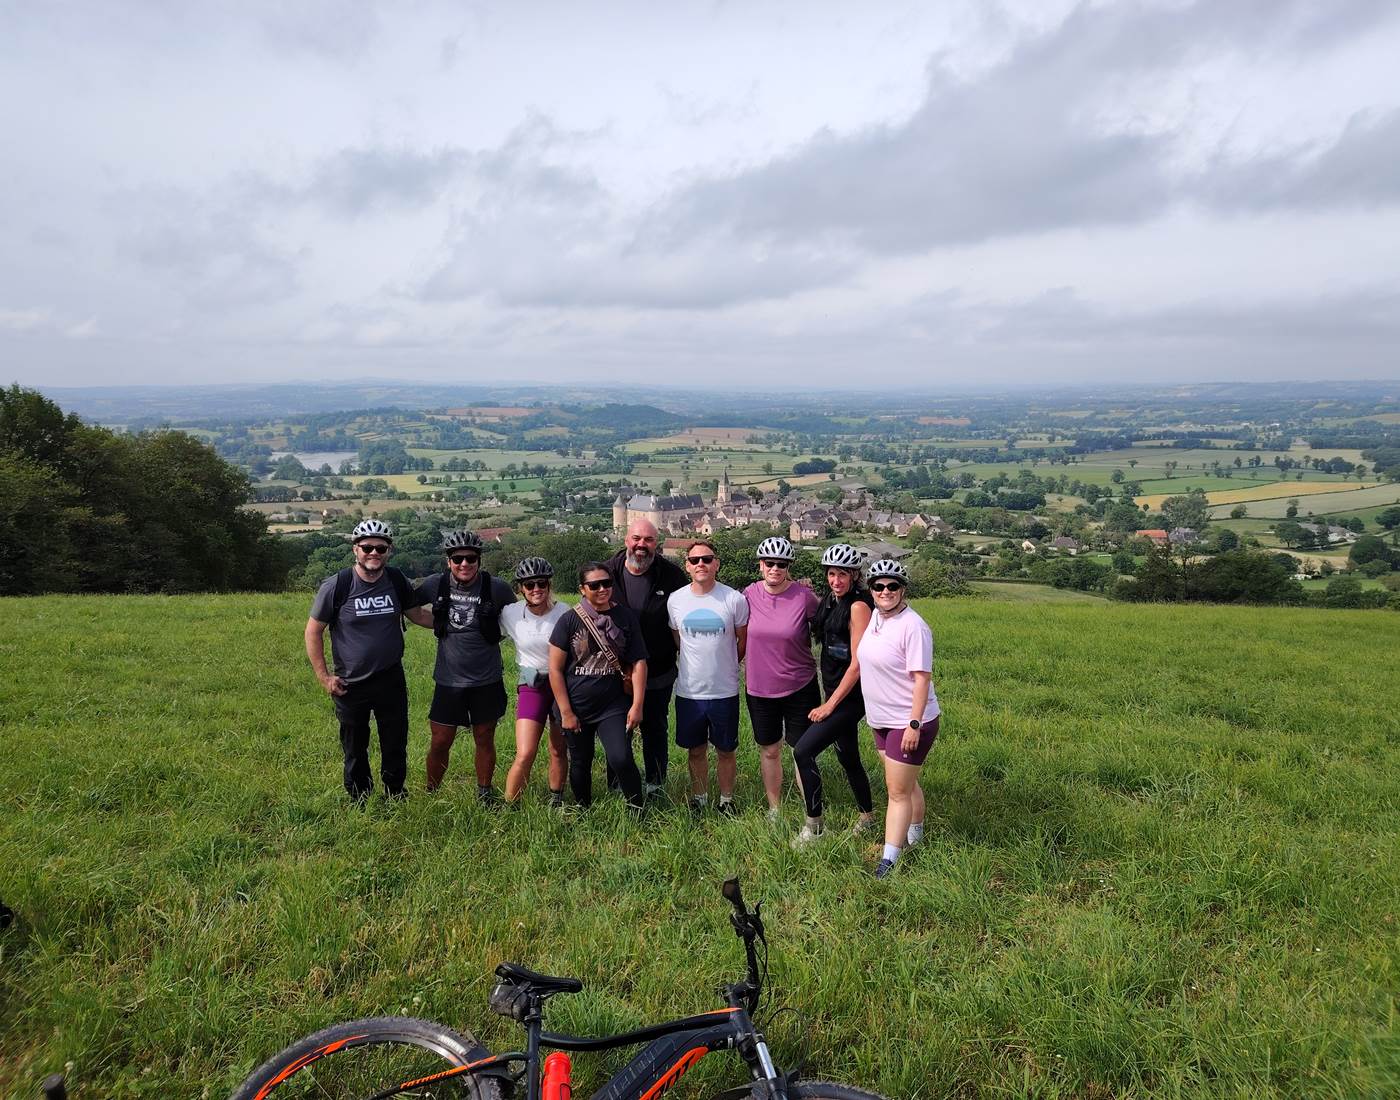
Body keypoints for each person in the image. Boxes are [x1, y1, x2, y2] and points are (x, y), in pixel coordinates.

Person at [305, 519, 432, 802]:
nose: (373, 553)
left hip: (390, 677)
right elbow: (313, 630)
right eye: (367, 547)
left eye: (380, 548)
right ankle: (359, 797)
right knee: (354, 744)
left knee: (395, 741)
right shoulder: (338, 585)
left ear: (389, 550)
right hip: (350, 681)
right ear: (356, 550)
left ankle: (395, 793)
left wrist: (460, 624)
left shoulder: (396, 580)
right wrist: (324, 677)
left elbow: (418, 615)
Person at [855, 558, 940, 879]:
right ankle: (916, 832)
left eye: (893, 586)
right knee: (906, 782)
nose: (885, 591)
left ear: (903, 590)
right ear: (871, 590)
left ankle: (889, 859)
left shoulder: (913, 626)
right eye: (878, 586)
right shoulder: (877, 617)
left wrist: (914, 724)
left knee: (896, 791)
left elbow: (922, 679)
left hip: (908, 721)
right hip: (881, 719)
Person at [415, 530, 516, 799]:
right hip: (448, 680)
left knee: (484, 737)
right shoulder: (435, 584)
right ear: (448, 561)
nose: (464, 564)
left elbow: (519, 620)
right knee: (440, 740)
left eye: (470, 558)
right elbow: (410, 608)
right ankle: (432, 792)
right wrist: (436, 623)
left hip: (487, 678)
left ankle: (484, 791)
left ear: (479, 560)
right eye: (457, 558)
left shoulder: (497, 587)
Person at [791, 544, 877, 845]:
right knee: (849, 758)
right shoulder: (830, 600)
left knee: (802, 751)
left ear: (854, 575)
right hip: (834, 690)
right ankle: (868, 817)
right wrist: (804, 588)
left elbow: (858, 664)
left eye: (842, 574)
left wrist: (829, 705)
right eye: (831, 573)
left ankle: (814, 828)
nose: (836, 580)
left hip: (850, 699)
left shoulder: (858, 606)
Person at [548, 563, 648, 809]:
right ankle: (583, 809)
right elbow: (555, 669)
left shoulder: (625, 617)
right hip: (576, 705)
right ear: (582, 589)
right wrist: (566, 712)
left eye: (607, 583)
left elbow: (638, 662)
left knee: (621, 757)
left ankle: (637, 808)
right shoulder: (568, 620)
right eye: (594, 585)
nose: (602, 589)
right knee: (581, 761)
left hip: (612, 704)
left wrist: (637, 705)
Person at [605, 519, 687, 796]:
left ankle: (655, 784)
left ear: (657, 544)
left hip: (658, 670)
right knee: (618, 731)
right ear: (626, 540)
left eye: (649, 540)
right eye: (637, 538)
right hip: (613, 672)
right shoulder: (606, 573)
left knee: (655, 727)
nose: (642, 545)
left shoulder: (673, 576)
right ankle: (618, 784)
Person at [667, 539, 749, 814]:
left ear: (716, 564)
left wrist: (723, 665)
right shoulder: (676, 600)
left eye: (706, 558)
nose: (700, 563)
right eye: (694, 560)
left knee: (726, 750)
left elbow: (741, 642)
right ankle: (700, 799)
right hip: (690, 691)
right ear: (687, 566)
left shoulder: (734, 599)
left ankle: (726, 800)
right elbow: (678, 640)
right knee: (696, 749)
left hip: (724, 690)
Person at [742, 535, 821, 818]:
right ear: (760, 565)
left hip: (800, 686)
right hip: (761, 689)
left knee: (803, 750)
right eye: (769, 563)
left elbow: (830, 620)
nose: (775, 568)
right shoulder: (748, 595)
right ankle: (774, 809)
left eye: (781, 564)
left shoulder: (803, 596)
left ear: (789, 566)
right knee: (770, 750)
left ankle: (811, 809)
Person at [499, 557, 570, 804]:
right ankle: (510, 804)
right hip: (532, 685)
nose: (536, 589)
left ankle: (556, 798)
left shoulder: (564, 613)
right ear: (521, 589)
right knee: (525, 752)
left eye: (541, 583)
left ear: (549, 585)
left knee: (558, 749)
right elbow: (486, 634)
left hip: (562, 684)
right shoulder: (510, 613)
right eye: (529, 585)